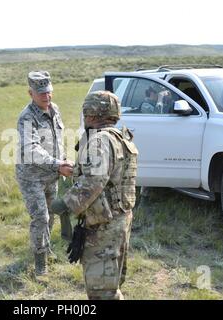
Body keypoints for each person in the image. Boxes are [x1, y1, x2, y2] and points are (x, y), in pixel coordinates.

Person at [51, 91, 138, 300]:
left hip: (103, 226)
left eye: (86, 112)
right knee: (112, 282)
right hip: (118, 219)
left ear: (92, 114)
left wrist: (66, 203)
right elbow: (107, 176)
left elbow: (94, 181)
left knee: (101, 291)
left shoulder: (100, 141)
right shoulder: (118, 137)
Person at [15, 70, 73, 279]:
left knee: (50, 215)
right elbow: (32, 150)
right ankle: (40, 264)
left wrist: (63, 160)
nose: (46, 97)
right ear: (30, 93)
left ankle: (46, 249)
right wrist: (59, 165)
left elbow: (57, 140)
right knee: (40, 217)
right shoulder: (26, 117)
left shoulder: (54, 109)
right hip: (31, 177)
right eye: (41, 94)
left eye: (48, 92)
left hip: (51, 175)